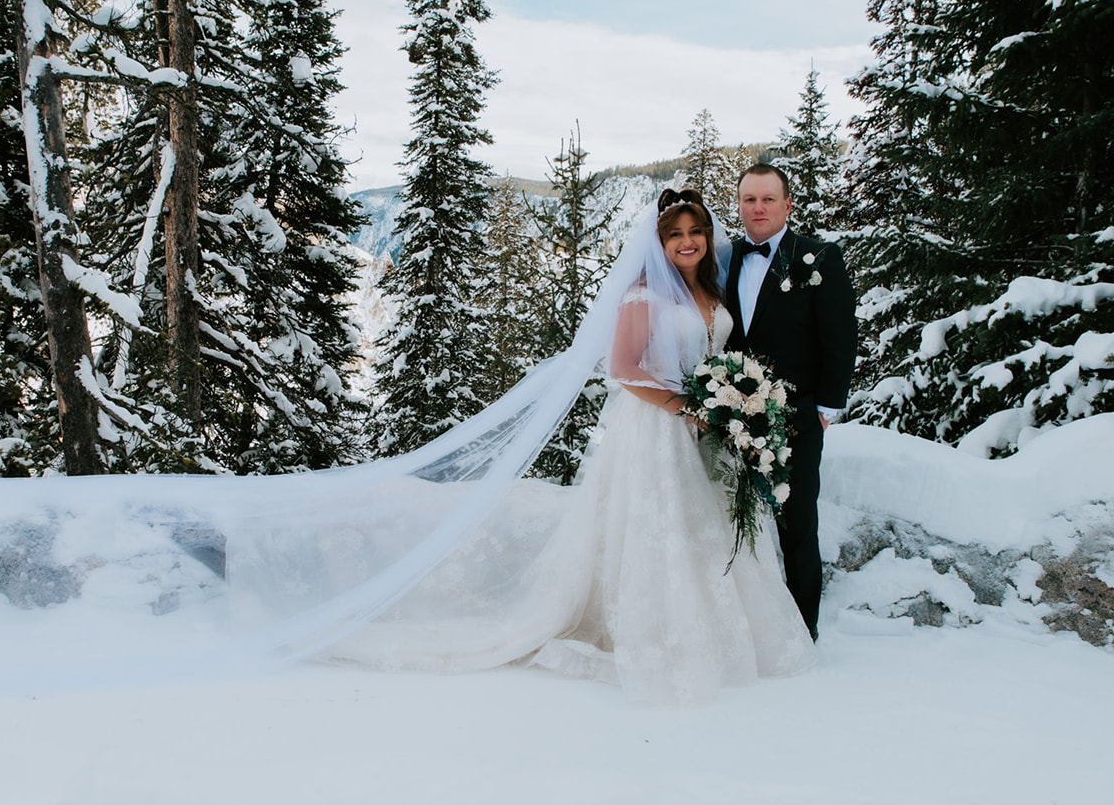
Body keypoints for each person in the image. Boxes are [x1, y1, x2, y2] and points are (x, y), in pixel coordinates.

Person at [323, 188, 817, 705]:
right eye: (675, 235)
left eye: (696, 232)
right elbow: (623, 369)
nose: (688, 242)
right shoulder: (644, 295)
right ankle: (658, 626)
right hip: (656, 426)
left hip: (704, 429)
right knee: (660, 523)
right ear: (660, 244)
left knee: (704, 525)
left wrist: (730, 402)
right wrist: (686, 410)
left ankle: (719, 627)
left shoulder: (712, 291)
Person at [723, 163, 858, 639]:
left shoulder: (819, 259)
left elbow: (840, 337)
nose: (757, 208)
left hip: (797, 416)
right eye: (748, 200)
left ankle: (803, 631)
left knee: (797, 525)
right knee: (732, 517)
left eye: (767, 199)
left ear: (787, 205)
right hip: (731, 414)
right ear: (738, 205)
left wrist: (826, 410)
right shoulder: (725, 259)